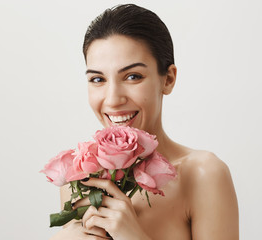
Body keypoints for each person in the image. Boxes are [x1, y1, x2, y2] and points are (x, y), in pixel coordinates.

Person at [50, 4, 238, 240]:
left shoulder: (203, 174)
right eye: (98, 79)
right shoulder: (78, 180)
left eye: (132, 76)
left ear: (168, 79)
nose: (113, 99)